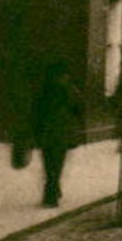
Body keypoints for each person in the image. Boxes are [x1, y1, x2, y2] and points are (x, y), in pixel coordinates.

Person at [32, 61, 84, 208]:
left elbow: (35, 111)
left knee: (48, 163)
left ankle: (53, 190)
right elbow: (79, 108)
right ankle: (51, 195)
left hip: (46, 132)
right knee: (58, 163)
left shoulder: (43, 90)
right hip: (62, 132)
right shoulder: (70, 89)